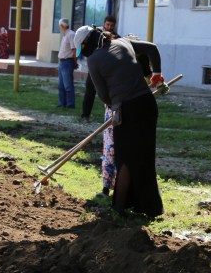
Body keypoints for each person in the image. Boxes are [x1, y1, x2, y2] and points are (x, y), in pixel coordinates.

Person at [75, 25, 164, 217]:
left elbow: (103, 94)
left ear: (88, 44)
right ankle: (149, 207)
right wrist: (156, 73)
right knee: (144, 156)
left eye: (83, 50)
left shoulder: (94, 60)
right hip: (148, 105)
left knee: (124, 158)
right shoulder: (123, 42)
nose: (84, 54)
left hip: (127, 109)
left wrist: (115, 106)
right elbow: (152, 48)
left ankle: (118, 208)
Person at [81, 15, 118, 123]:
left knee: (111, 94)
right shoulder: (95, 35)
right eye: (108, 24)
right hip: (95, 70)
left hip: (109, 71)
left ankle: (112, 116)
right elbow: (87, 50)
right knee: (90, 92)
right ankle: (85, 116)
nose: (109, 27)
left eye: (112, 25)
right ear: (104, 23)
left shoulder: (117, 38)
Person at [56, 18, 76, 108]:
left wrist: (74, 61)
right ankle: (62, 103)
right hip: (62, 61)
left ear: (61, 26)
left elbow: (74, 49)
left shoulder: (71, 34)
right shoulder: (65, 35)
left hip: (67, 61)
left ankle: (70, 104)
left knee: (68, 85)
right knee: (61, 85)